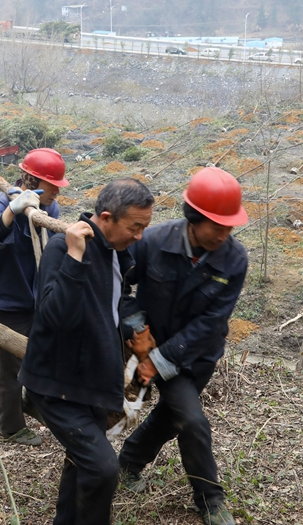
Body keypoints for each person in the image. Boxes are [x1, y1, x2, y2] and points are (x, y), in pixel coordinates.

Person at [19, 178, 154, 524]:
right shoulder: (64, 248)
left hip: (90, 382)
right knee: (104, 469)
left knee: (79, 464)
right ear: (106, 218)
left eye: (144, 228)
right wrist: (75, 258)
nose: (139, 236)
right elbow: (53, 316)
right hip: (58, 385)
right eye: (135, 227)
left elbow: (109, 305)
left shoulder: (113, 253)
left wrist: (135, 331)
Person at [118, 168, 248, 525]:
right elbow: (122, 290)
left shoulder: (234, 261)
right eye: (216, 226)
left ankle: (128, 461)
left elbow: (212, 323)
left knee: (174, 417)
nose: (224, 235)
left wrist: (157, 362)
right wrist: (136, 329)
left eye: (229, 227)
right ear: (194, 218)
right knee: (191, 420)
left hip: (194, 357)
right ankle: (210, 499)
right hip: (146, 345)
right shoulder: (152, 242)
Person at [0, 148, 68, 446]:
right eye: (53, 185)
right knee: (12, 364)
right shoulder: (4, 202)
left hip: (37, 297)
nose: (57, 190)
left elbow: (52, 253)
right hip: (8, 298)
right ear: (34, 181)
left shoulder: (49, 209)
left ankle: (32, 401)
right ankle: (12, 426)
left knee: (42, 354)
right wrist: (12, 211)